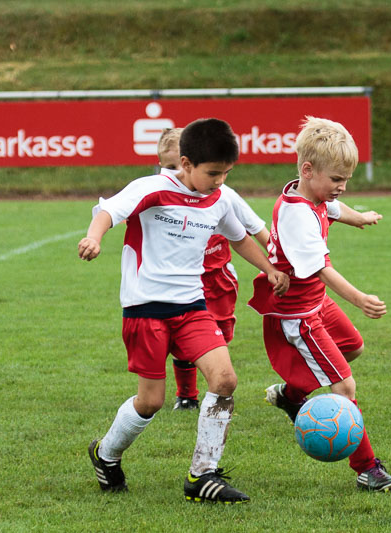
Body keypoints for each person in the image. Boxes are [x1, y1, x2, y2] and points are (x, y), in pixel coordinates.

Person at [78, 118, 288, 503]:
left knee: (224, 380)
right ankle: (106, 454)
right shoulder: (153, 188)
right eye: (213, 173)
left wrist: (269, 268)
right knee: (151, 401)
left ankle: (202, 475)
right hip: (146, 308)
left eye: (226, 173)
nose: (220, 181)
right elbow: (108, 212)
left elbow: (239, 238)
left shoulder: (219, 198)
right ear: (186, 164)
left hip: (192, 306)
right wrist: (94, 237)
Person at [248, 116, 391, 492]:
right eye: (336, 180)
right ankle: (367, 468)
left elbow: (335, 210)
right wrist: (360, 299)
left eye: (345, 180)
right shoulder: (298, 214)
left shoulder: (310, 195)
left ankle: (290, 395)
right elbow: (321, 269)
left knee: (354, 347)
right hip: (299, 315)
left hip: (317, 305)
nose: (341, 187)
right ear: (308, 169)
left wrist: (360, 217)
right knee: (345, 388)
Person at [156, 127, 270, 411]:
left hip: (218, 279)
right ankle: (187, 395)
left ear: (191, 162)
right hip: (182, 282)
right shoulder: (157, 192)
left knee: (219, 337)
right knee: (183, 341)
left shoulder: (222, 194)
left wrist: (279, 263)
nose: (173, 174)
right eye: (167, 167)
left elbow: (254, 228)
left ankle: (215, 386)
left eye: (177, 166)